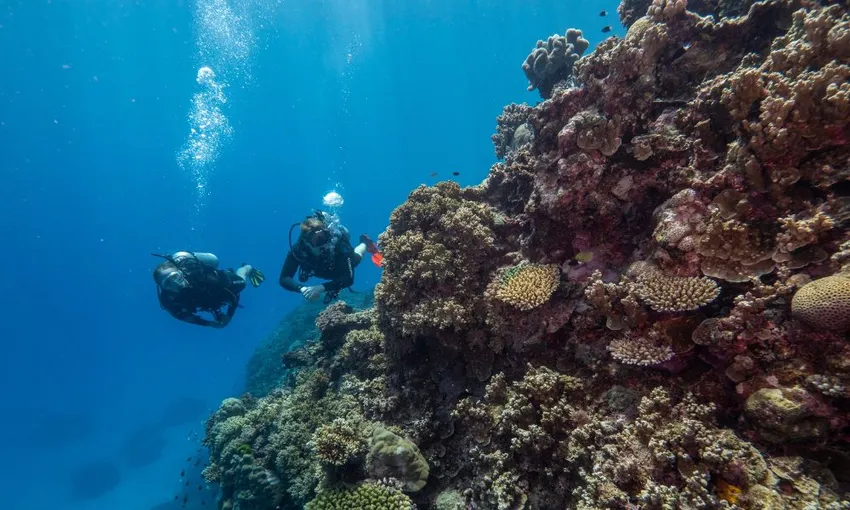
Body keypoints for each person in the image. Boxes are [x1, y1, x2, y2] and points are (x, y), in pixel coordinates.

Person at [279, 210, 383, 303]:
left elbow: (348, 279)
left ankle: (365, 241)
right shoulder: (298, 250)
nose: (324, 243)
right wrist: (302, 289)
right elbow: (284, 278)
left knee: (355, 260)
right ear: (307, 242)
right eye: (317, 240)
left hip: (338, 264)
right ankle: (334, 287)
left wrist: (320, 288)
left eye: (324, 237)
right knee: (335, 278)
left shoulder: (336, 245)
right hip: (320, 270)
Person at [152, 251, 265, 328]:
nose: (176, 283)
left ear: (181, 273)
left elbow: (232, 295)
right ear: (164, 288)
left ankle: (247, 267)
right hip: (205, 298)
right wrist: (209, 324)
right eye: (168, 283)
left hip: (220, 283)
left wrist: (229, 316)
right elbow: (184, 317)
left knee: (241, 283)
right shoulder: (169, 300)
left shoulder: (200, 276)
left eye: (175, 277)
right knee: (211, 302)